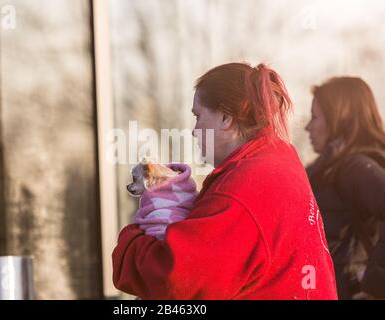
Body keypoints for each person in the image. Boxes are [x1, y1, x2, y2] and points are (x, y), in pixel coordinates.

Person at [112, 62, 338, 299]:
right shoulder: (278, 159)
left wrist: (132, 239)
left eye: (198, 116)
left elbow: (174, 279)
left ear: (226, 118)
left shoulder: (244, 188)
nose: (193, 130)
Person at [306, 76, 385, 299]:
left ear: (339, 118)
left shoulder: (354, 167)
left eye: (314, 117)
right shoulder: (330, 170)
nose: (307, 127)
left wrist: (375, 286)